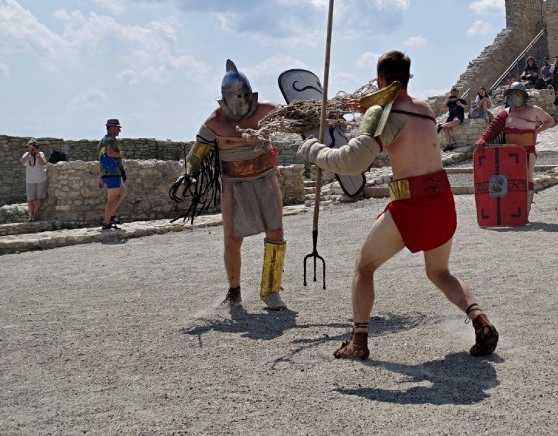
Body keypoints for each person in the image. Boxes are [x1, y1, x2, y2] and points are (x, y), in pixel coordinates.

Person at [298, 50, 499, 360]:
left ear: (380, 79)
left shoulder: (385, 115)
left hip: (412, 204)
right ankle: (480, 320)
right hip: (442, 199)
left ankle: (359, 342)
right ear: (407, 78)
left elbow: (352, 161)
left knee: (364, 267)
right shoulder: (424, 109)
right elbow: (393, 117)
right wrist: (367, 105)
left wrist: (313, 149)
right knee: (439, 271)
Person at [172, 60, 287, 310]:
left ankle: (271, 291)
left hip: (266, 177)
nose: (240, 99)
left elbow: (294, 118)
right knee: (232, 238)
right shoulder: (214, 123)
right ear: (224, 99)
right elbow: (195, 155)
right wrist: (188, 173)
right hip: (233, 183)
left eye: (243, 94)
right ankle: (234, 292)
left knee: (276, 232)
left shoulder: (267, 110)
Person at [476, 82, 555, 213]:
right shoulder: (505, 113)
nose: (515, 96)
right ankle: (511, 209)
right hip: (508, 153)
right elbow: (493, 128)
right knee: (509, 178)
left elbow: (549, 120)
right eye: (512, 93)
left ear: (523, 95)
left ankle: (525, 210)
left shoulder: (534, 110)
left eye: (517, 93)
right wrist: (483, 139)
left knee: (528, 177)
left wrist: (536, 131)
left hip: (527, 152)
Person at [98, 119, 128, 230]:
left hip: (108, 173)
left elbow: (102, 158)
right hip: (112, 173)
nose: (119, 130)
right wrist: (120, 154)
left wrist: (101, 176)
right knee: (112, 199)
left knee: (123, 192)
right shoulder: (111, 140)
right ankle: (106, 222)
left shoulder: (103, 140)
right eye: (118, 127)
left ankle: (112, 215)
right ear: (112, 127)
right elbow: (110, 153)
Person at [20, 138, 47, 222]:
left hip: (41, 179)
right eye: (30, 146)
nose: (32, 148)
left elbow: (43, 163)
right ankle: (31, 214)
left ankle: (34, 216)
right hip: (30, 180)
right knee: (30, 199)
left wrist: (37, 153)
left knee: (39, 198)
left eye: (33, 146)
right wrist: (29, 152)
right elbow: (22, 161)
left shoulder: (40, 154)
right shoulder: (26, 154)